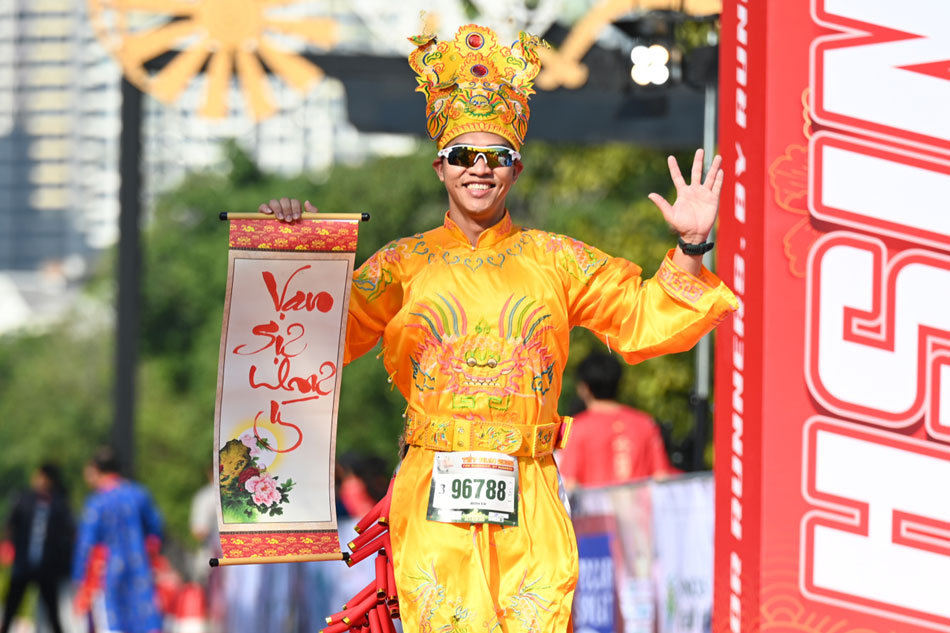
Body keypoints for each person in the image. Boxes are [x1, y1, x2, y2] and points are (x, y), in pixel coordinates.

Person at [260, 23, 737, 633]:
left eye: (496, 158)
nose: (479, 170)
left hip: (530, 488)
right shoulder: (402, 265)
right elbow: (306, 345)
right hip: (433, 490)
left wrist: (693, 244)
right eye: (464, 157)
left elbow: (646, 320)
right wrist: (287, 253)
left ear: (516, 169)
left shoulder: (557, 260)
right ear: (440, 167)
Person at [72, 447, 164, 633]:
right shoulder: (139, 494)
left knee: (112, 625)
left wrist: (80, 579)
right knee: (144, 623)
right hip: (140, 571)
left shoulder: (96, 503)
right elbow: (156, 530)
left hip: (108, 574)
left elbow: (85, 546)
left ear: (96, 469)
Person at [557, 351, 674, 490]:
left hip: (594, 512)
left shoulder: (577, 428)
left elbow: (569, 483)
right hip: (638, 510)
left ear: (584, 388)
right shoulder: (646, 423)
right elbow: (662, 478)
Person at [0, 462, 73, 633]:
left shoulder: (59, 503)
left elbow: (68, 533)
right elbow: (11, 525)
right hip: (23, 564)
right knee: (11, 608)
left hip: (47, 567)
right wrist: (6, 546)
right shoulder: (24, 499)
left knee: (53, 614)